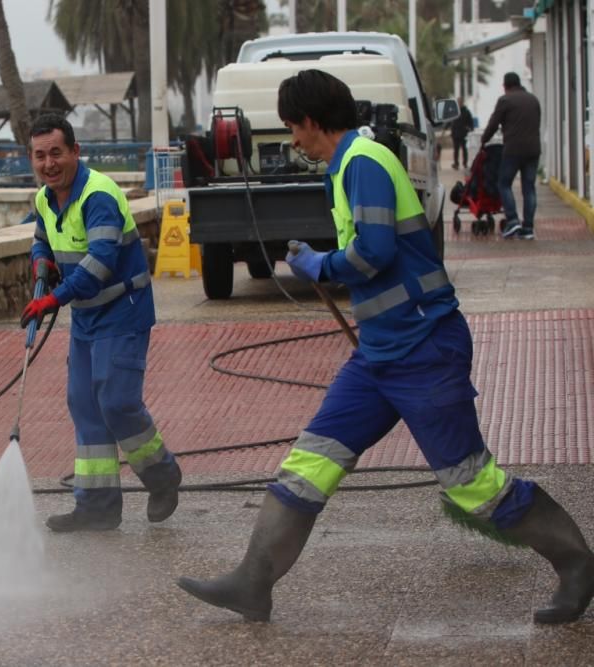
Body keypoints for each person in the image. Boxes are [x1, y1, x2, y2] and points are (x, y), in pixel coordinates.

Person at [176, 70, 594, 625]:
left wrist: (315, 264)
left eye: (293, 128)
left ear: (311, 120)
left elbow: (371, 254)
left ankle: (578, 564)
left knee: (472, 483)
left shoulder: (366, 164)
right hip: (379, 354)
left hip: (423, 348)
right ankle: (254, 582)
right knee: (311, 462)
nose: (292, 141)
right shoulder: (348, 166)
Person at [20, 114, 182, 532]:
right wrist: (41, 260)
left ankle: (162, 476)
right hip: (87, 318)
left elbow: (101, 262)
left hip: (123, 310)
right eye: (40, 156)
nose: (49, 163)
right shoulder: (44, 197)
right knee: (85, 404)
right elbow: (42, 236)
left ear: (76, 151)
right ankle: (97, 505)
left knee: (117, 402)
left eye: (57, 152)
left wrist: (53, 298)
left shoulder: (99, 196)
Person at [480, 72, 542, 240]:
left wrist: (483, 140)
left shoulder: (505, 100)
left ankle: (513, 220)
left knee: (504, 183)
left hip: (513, 150)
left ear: (505, 86)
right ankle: (528, 228)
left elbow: (493, 124)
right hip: (533, 150)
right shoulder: (533, 99)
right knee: (529, 188)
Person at [450, 97, 474, 170]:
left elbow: (471, 122)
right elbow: (451, 122)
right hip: (455, 133)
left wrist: (469, 128)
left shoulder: (466, 111)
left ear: (462, 102)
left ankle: (465, 163)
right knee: (456, 149)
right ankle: (456, 164)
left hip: (463, 134)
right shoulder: (454, 111)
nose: (459, 103)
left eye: (460, 102)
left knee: (464, 149)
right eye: (458, 102)